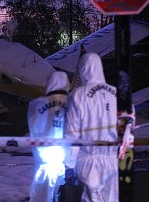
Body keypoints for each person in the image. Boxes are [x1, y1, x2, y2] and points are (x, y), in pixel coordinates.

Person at [64, 53, 118, 202]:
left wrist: (69, 164)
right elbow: (127, 127)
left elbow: (72, 134)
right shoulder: (116, 94)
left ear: (83, 70)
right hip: (112, 162)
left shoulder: (78, 95)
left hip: (88, 163)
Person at [27, 71, 70, 202]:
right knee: (65, 195)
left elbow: (33, 128)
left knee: (42, 196)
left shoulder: (36, 104)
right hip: (66, 160)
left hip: (44, 159)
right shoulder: (73, 103)